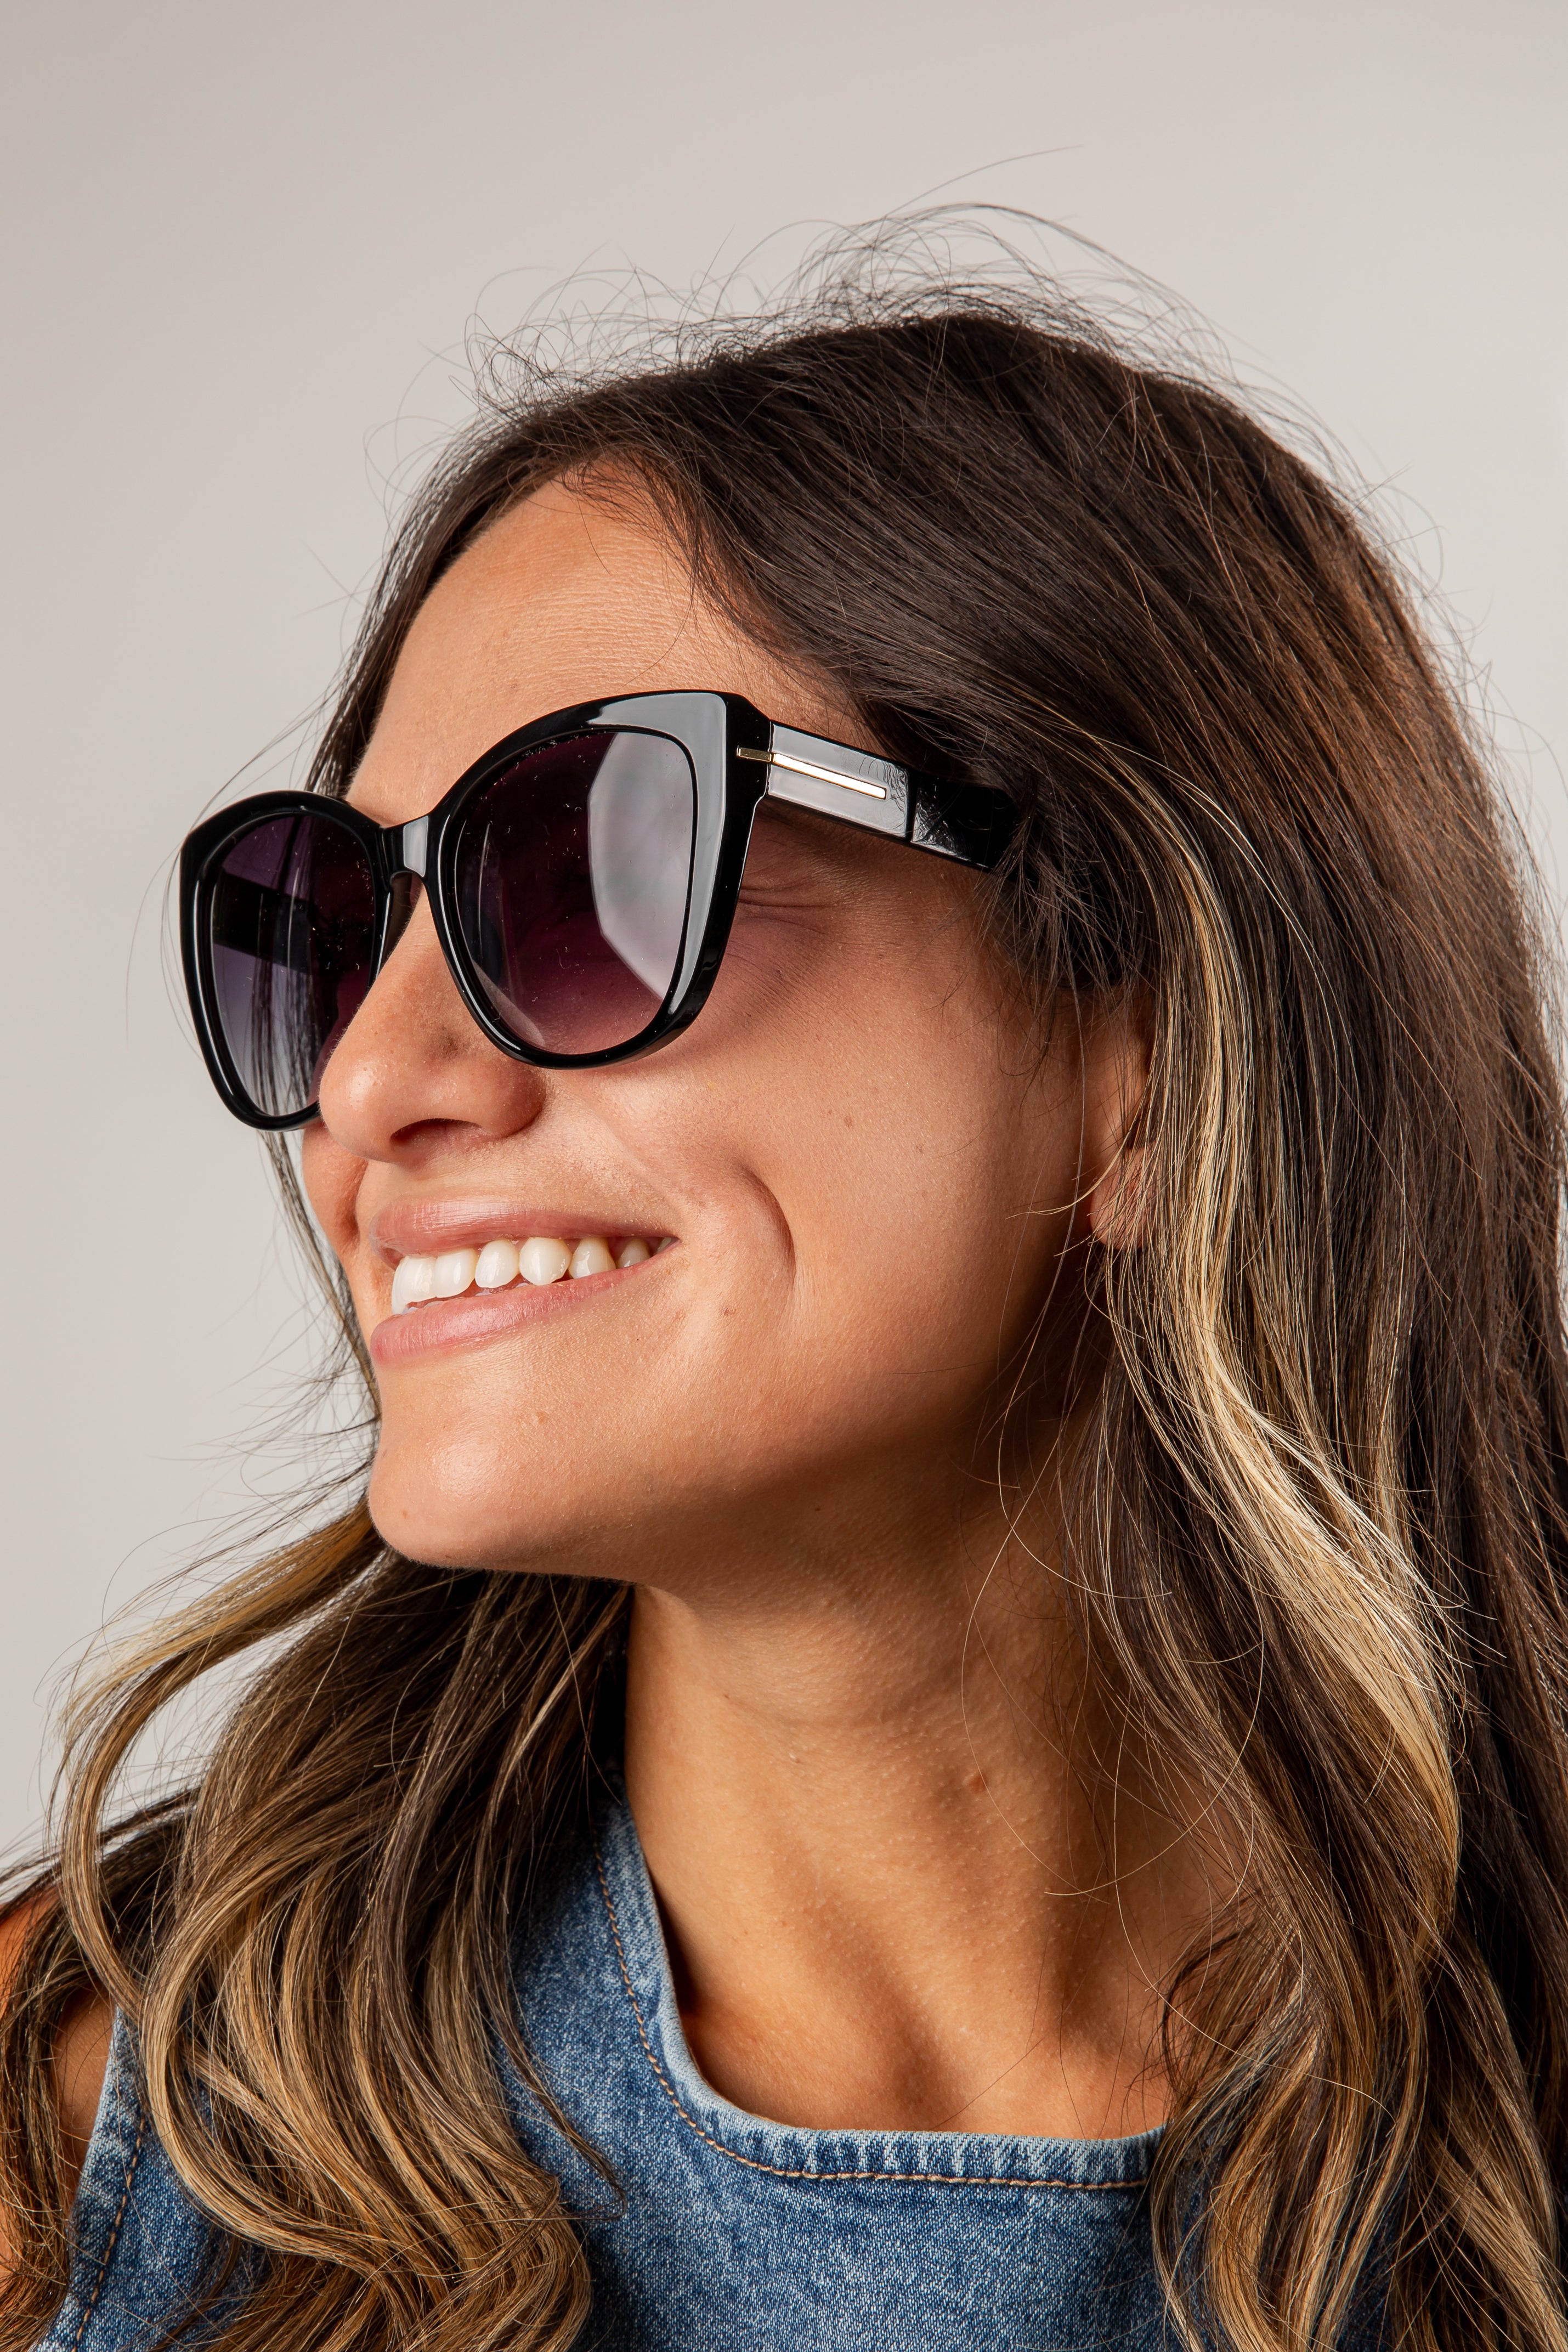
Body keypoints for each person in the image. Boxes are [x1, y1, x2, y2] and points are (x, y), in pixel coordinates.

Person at [4, 234, 1568, 2352]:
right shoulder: (67, 2148)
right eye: (343, 917)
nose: (368, 1082)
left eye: (587, 866)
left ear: (1153, 1047)